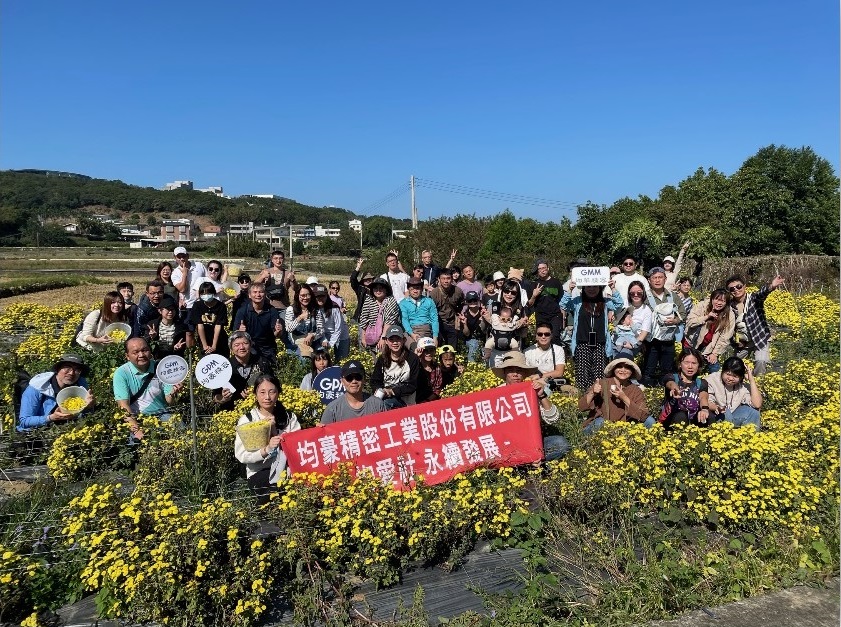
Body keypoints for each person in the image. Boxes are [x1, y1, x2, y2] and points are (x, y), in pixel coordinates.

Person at [234, 374, 301, 504]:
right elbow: (241, 455)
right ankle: (261, 512)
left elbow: (297, 445)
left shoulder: (289, 417)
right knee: (277, 489)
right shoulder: (248, 420)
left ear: (278, 393)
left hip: (288, 469)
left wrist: (275, 430)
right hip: (259, 472)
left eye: (272, 392)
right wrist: (266, 449)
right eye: (262, 392)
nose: (267, 397)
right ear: (255, 394)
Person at [491, 351, 570, 461]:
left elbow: (553, 419)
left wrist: (541, 396)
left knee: (560, 443)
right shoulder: (496, 394)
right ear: (504, 373)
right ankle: (524, 462)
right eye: (511, 370)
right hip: (506, 446)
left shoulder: (533, 389)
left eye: (519, 370)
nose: (515, 374)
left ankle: (530, 460)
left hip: (532, 442)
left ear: (524, 373)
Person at [560, 279, 623, 393]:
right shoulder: (578, 301)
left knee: (599, 373)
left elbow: (619, 305)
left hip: (600, 342)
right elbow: (563, 305)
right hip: (582, 341)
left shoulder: (605, 301)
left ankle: (599, 397)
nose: (592, 289)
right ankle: (584, 397)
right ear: (584, 288)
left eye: (595, 286)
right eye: (588, 286)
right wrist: (569, 290)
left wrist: (613, 288)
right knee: (583, 373)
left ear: (600, 288)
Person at [113, 338, 182, 440]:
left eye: (144, 350)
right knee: (135, 443)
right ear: (127, 356)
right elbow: (123, 405)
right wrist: (137, 430)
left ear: (150, 351)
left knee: (181, 431)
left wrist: (173, 392)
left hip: (162, 414)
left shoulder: (161, 368)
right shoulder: (121, 373)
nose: (141, 355)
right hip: (137, 418)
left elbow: (169, 401)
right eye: (135, 352)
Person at [726, 274, 785, 376]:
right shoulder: (729, 306)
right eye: (732, 289)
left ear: (744, 286)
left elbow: (761, 294)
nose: (736, 290)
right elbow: (730, 328)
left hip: (759, 338)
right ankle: (739, 380)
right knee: (732, 365)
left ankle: (757, 381)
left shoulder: (753, 299)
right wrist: (736, 342)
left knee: (761, 361)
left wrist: (771, 286)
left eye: (738, 286)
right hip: (743, 342)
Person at [17, 354, 94, 432]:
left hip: (67, 431)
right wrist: (51, 418)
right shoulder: (37, 388)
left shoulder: (81, 386)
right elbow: (24, 421)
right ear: (58, 369)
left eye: (77, 370)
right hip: (36, 433)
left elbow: (85, 416)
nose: (71, 373)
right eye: (67, 368)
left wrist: (88, 407)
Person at [578, 358, 653, 433]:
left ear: (632, 371)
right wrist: (592, 393)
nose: (623, 370)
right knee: (600, 423)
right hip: (602, 425)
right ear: (614, 369)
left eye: (627, 367)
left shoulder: (636, 390)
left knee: (650, 421)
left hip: (624, 426)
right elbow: (581, 407)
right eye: (619, 366)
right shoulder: (602, 383)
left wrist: (624, 398)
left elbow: (643, 415)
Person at [641, 267, 686, 386]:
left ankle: (666, 387)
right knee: (649, 368)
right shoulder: (644, 296)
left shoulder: (672, 296)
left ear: (665, 279)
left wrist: (675, 320)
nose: (657, 280)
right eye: (654, 278)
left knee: (667, 369)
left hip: (668, 338)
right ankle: (648, 387)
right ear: (649, 280)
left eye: (660, 277)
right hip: (651, 340)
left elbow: (682, 313)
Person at [213, 331, 273, 411]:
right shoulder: (224, 367)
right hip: (231, 412)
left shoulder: (262, 362)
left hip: (259, 409)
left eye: (245, 343)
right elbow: (215, 396)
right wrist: (223, 398)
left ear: (251, 345)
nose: (241, 347)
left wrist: (256, 393)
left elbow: (272, 385)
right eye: (236, 345)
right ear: (231, 348)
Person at [320, 360, 387, 425]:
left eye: (358, 377)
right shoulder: (333, 409)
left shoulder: (377, 404)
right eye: (349, 378)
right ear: (342, 381)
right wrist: (320, 429)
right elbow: (324, 432)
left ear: (364, 379)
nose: (354, 381)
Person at [684, 288, 736, 373]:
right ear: (712, 299)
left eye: (723, 301)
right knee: (688, 367)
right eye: (716, 299)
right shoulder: (702, 306)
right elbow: (690, 322)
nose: (719, 303)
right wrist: (707, 317)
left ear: (726, 303)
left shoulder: (729, 315)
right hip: (691, 343)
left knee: (715, 369)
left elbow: (725, 337)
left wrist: (715, 353)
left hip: (709, 348)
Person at [233, 283, 286, 365]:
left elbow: (276, 334)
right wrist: (240, 331)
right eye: (255, 292)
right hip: (249, 347)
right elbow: (235, 334)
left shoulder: (272, 311)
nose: (258, 295)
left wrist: (278, 331)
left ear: (265, 294)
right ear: (249, 295)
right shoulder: (242, 311)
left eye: (260, 292)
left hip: (267, 347)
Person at [659, 348, 711, 430]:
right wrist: (675, 389)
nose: (690, 367)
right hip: (672, 419)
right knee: (681, 416)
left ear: (698, 366)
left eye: (694, 363)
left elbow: (703, 397)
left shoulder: (701, 382)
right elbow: (670, 383)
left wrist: (704, 409)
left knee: (709, 415)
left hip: (693, 420)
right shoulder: (672, 377)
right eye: (686, 363)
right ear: (680, 364)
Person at [370, 324, 420, 409]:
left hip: (405, 402)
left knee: (386, 404)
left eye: (398, 339)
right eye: (391, 339)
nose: (395, 343)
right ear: (386, 341)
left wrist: (392, 391)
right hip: (385, 397)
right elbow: (375, 381)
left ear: (404, 340)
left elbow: (413, 385)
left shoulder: (412, 358)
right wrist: (379, 390)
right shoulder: (382, 359)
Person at [706, 357, 762, 429]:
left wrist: (751, 380)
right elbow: (706, 401)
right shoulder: (712, 379)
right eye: (728, 374)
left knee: (754, 412)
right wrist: (717, 408)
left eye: (735, 376)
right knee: (726, 412)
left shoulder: (742, 386)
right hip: (715, 415)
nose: (730, 379)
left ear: (741, 377)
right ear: (722, 371)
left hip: (733, 416)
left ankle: (751, 435)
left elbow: (757, 404)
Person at [359, 277, 402, 353]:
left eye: (381, 288)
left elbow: (389, 321)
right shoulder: (369, 300)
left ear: (386, 290)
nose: (378, 291)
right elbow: (364, 319)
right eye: (376, 288)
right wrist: (363, 337)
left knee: (383, 354)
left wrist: (383, 338)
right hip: (370, 334)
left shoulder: (390, 301)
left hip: (387, 334)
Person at [527, 259, 564, 345]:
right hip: (541, 316)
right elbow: (529, 304)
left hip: (555, 315)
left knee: (555, 337)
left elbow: (562, 302)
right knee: (542, 338)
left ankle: (556, 353)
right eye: (539, 269)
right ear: (537, 271)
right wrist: (534, 295)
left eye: (544, 268)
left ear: (548, 268)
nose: (542, 270)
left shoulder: (556, 282)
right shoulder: (534, 284)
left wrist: (563, 318)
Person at [284, 284, 325, 358]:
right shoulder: (291, 309)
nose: (305, 298)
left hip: (313, 341)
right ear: (297, 296)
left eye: (308, 295)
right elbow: (288, 328)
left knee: (323, 356)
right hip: (298, 343)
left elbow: (321, 330)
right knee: (305, 358)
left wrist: (312, 335)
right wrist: (300, 318)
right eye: (303, 295)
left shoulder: (316, 310)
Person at [399, 276, 439, 349]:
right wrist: (412, 334)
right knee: (415, 348)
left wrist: (435, 337)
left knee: (427, 349)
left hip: (426, 330)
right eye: (412, 289)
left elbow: (434, 319)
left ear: (421, 289)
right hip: (410, 331)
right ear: (408, 289)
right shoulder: (403, 303)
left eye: (417, 288)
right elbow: (405, 320)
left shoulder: (429, 301)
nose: (415, 291)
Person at [190, 281, 229, 357]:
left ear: (213, 293)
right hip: (204, 339)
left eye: (208, 293)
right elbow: (200, 326)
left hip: (219, 340)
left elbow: (218, 326)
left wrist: (214, 346)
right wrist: (205, 346)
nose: (206, 295)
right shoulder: (197, 305)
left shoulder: (221, 306)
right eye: (203, 293)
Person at [429, 268, 465, 348]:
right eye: (443, 278)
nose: (446, 281)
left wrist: (458, 315)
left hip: (452, 323)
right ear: (439, 279)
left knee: (452, 349)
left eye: (448, 278)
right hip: (438, 323)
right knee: (437, 347)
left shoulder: (458, 291)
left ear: (452, 279)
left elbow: (462, 304)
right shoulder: (434, 294)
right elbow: (430, 312)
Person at [312, 284, 350, 360]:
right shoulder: (314, 308)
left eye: (323, 296)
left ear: (327, 296)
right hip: (325, 335)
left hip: (341, 336)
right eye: (317, 296)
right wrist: (324, 339)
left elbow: (339, 327)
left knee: (341, 360)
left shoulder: (334, 307)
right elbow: (319, 327)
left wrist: (331, 343)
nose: (320, 299)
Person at [170, 246, 207, 320]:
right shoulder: (175, 273)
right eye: (179, 257)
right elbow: (182, 289)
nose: (182, 259)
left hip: (203, 303)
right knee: (189, 326)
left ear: (188, 256)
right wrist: (185, 274)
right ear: (175, 258)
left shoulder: (199, 265)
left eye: (183, 256)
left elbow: (208, 280)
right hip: (188, 306)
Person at [458, 290, 486, 363]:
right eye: (470, 301)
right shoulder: (465, 315)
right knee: (473, 343)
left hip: (483, 339)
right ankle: (472, 366)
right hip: (469, 340)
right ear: (467, 302)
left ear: (478, 301)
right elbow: (466, 334)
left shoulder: (483, 312)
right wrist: (465, 324)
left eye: (475, 300)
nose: (473, 302)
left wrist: (483, 320)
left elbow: (484, 330)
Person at [415, 337, 444, 403]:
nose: (429, 353)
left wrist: (427, 401)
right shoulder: (415, 366)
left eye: (431, 350)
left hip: (431, 401)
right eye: (425, 350)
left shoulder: (437, 367)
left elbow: (437, 389)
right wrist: (416, 356)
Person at [626, 281, 652, 354]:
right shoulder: (625, 305)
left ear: (643, 293)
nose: (636, 295)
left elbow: (643, 334)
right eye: (632, 293)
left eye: (639, 293)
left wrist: (632, 345)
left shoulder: (646, 310)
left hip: (634, 343)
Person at [349, 258, 375, 322]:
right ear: (362, 280)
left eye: (369, 279)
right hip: (360, 317)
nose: (368, 280)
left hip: (372, 318)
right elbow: (353, 279)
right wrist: (358, 267)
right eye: (366, 279)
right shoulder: (360, 289)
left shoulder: (376, 290)